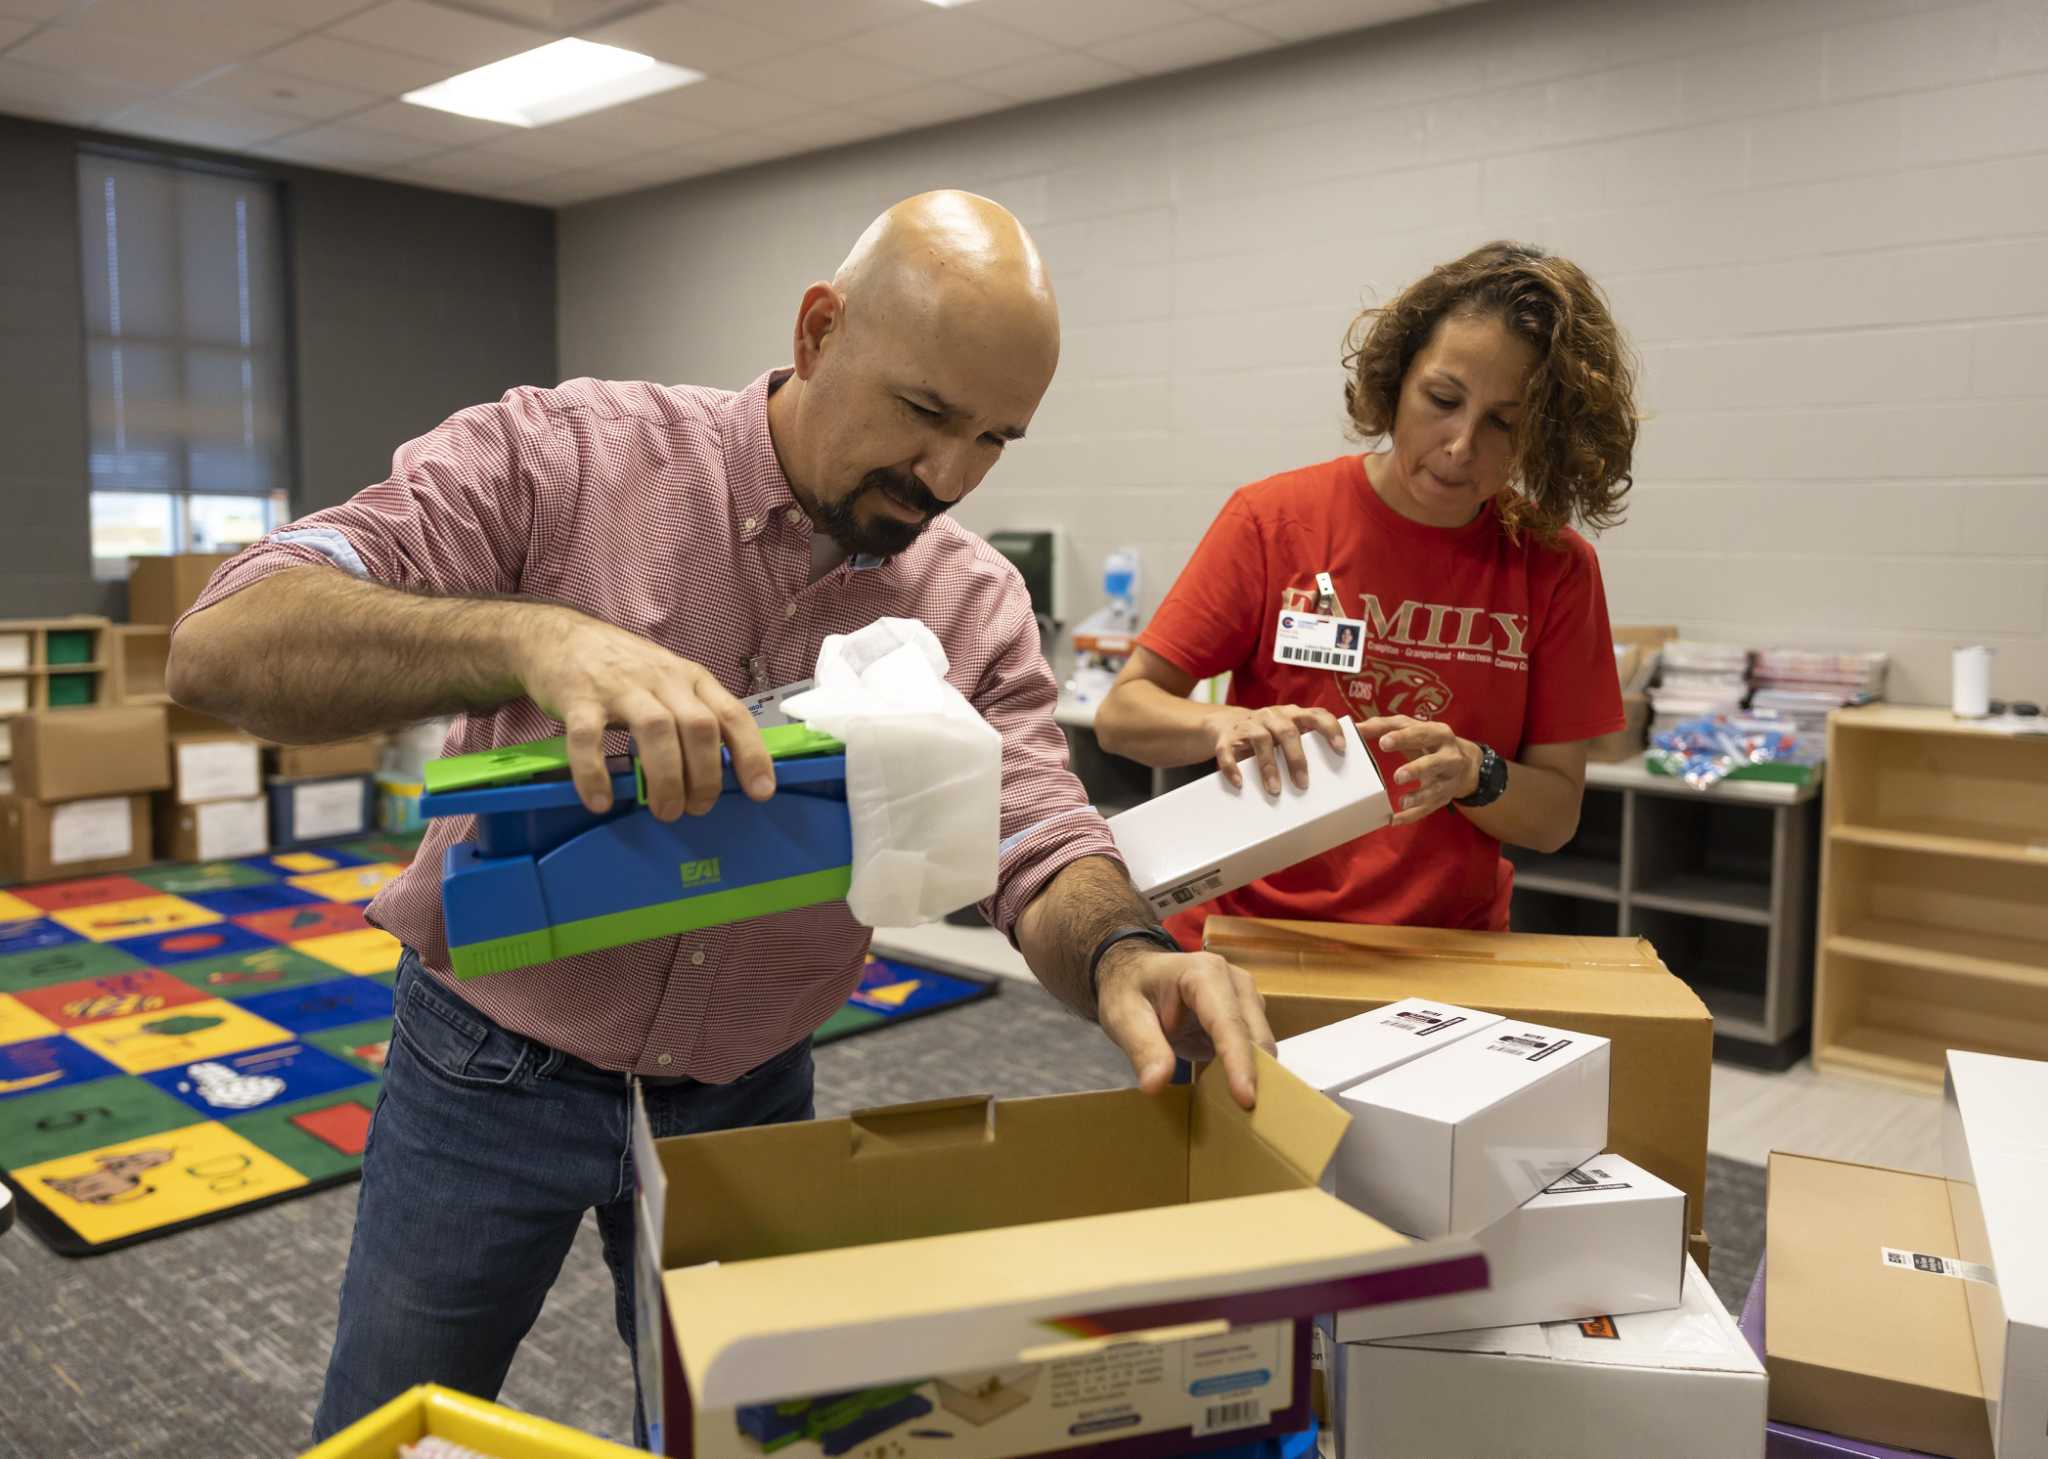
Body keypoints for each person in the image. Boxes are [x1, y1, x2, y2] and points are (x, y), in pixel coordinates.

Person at [166, 191, 1273, 1444]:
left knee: (742, 1433)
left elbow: (1035, 828)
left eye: (994, 439)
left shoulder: (970, 599)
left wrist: (1125, 950)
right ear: (816, 332)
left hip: (746, 1091)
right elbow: (225, 645)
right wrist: (532, 638)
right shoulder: (566, 459)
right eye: (923, 414)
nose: (947, 478)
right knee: (393, 1418)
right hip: (486, 1067)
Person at [1095, 241, 1638, 948]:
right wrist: (1221, 726)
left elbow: (1556, 814)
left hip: (1443, 955)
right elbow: (1121, 713)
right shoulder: (1274, 521)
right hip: (1251, 939)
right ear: (1398, 378)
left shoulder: (1557, 569)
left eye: (1504, 423)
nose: (1459, 445)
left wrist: (1478, 772)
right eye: (1442, 400)